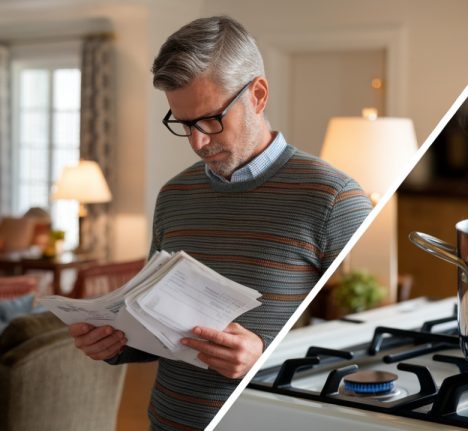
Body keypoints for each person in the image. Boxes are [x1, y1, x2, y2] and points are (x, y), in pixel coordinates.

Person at [67, 16, 372, 430]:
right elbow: (153, 323)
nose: (197, 142)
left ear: (258, 95)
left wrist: (266, 355)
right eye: (184, 123)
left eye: (210, 119)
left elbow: (369, 342)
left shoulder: (334, 200)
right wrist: (114, 344)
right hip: (168, 420)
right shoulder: (174, 195)